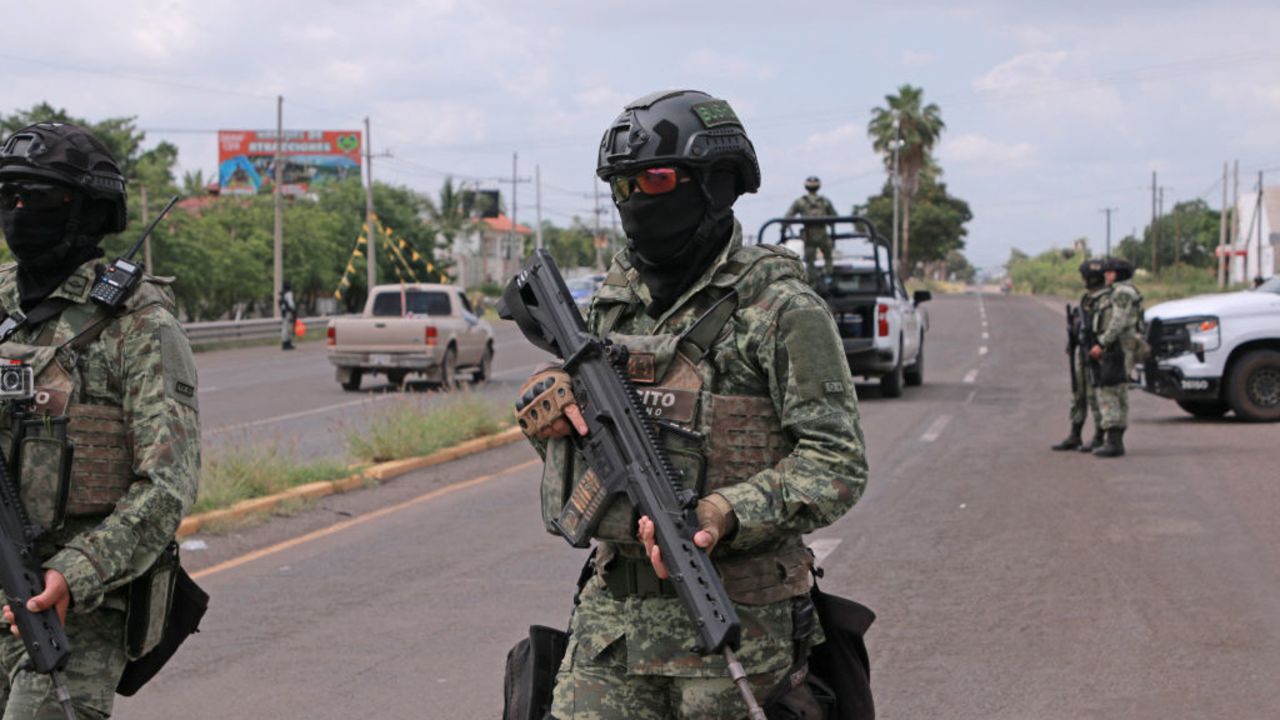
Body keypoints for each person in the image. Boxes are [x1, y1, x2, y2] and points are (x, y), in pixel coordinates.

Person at [517, 90, 868, 719]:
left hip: (740, 630)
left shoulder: (781, 309)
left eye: (654, 180)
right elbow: (582, 426)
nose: (636, 201)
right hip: (612, 627)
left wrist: (726, 511)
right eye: (622, 186)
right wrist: (548, 401)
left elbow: (837, 462)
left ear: (717, 183)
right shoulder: (610, 307)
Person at [0, 122, 201, 718]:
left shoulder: (137, 323)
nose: (17, 212)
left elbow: (167, 486)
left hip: (79, 604)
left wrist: (76, 572)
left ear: (85, 209)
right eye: (7, 195)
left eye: (35, 197)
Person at [1087, 257, 1143, 458]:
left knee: (1109, 389)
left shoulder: (1121, 292)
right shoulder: (1125, 290)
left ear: (1119, 274)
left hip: (1118, 346)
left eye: (1110, 271)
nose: (1106, 275)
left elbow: (1118, 321)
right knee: (1119, 389)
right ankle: (1115, 440)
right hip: (1123, 345)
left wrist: (1102, 342)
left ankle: (1113, 441)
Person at [1051, 259, 1107, 451]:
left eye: (1086, 277)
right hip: (1082, 351)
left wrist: (1100, 346)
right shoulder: (1086, 298)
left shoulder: (1106, 299)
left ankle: (1099, 436)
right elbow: (1080, 323)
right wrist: (1072, 341)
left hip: (1095, 353)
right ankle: (1075, 434)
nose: (1083, 280)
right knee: (1078, 394)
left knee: (1094, 395)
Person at [785, 176, 837, 284]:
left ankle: (812, 284)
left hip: (809, 236)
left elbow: (788, 217)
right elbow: (835, 217)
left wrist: (783, 229)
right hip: (823, 234)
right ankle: (829, 281)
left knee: (810, 262)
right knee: (828, 258)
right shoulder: (824, 201)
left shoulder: (800, 202)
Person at [279, 279, 297, 350]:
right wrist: (294, 311)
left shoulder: (282, 294)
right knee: (288, 328)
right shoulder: (289, 293)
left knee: (285, 328)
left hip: (284, 312)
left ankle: (285, 343)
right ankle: (287, 343)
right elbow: (291, 304)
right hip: (289, 312)